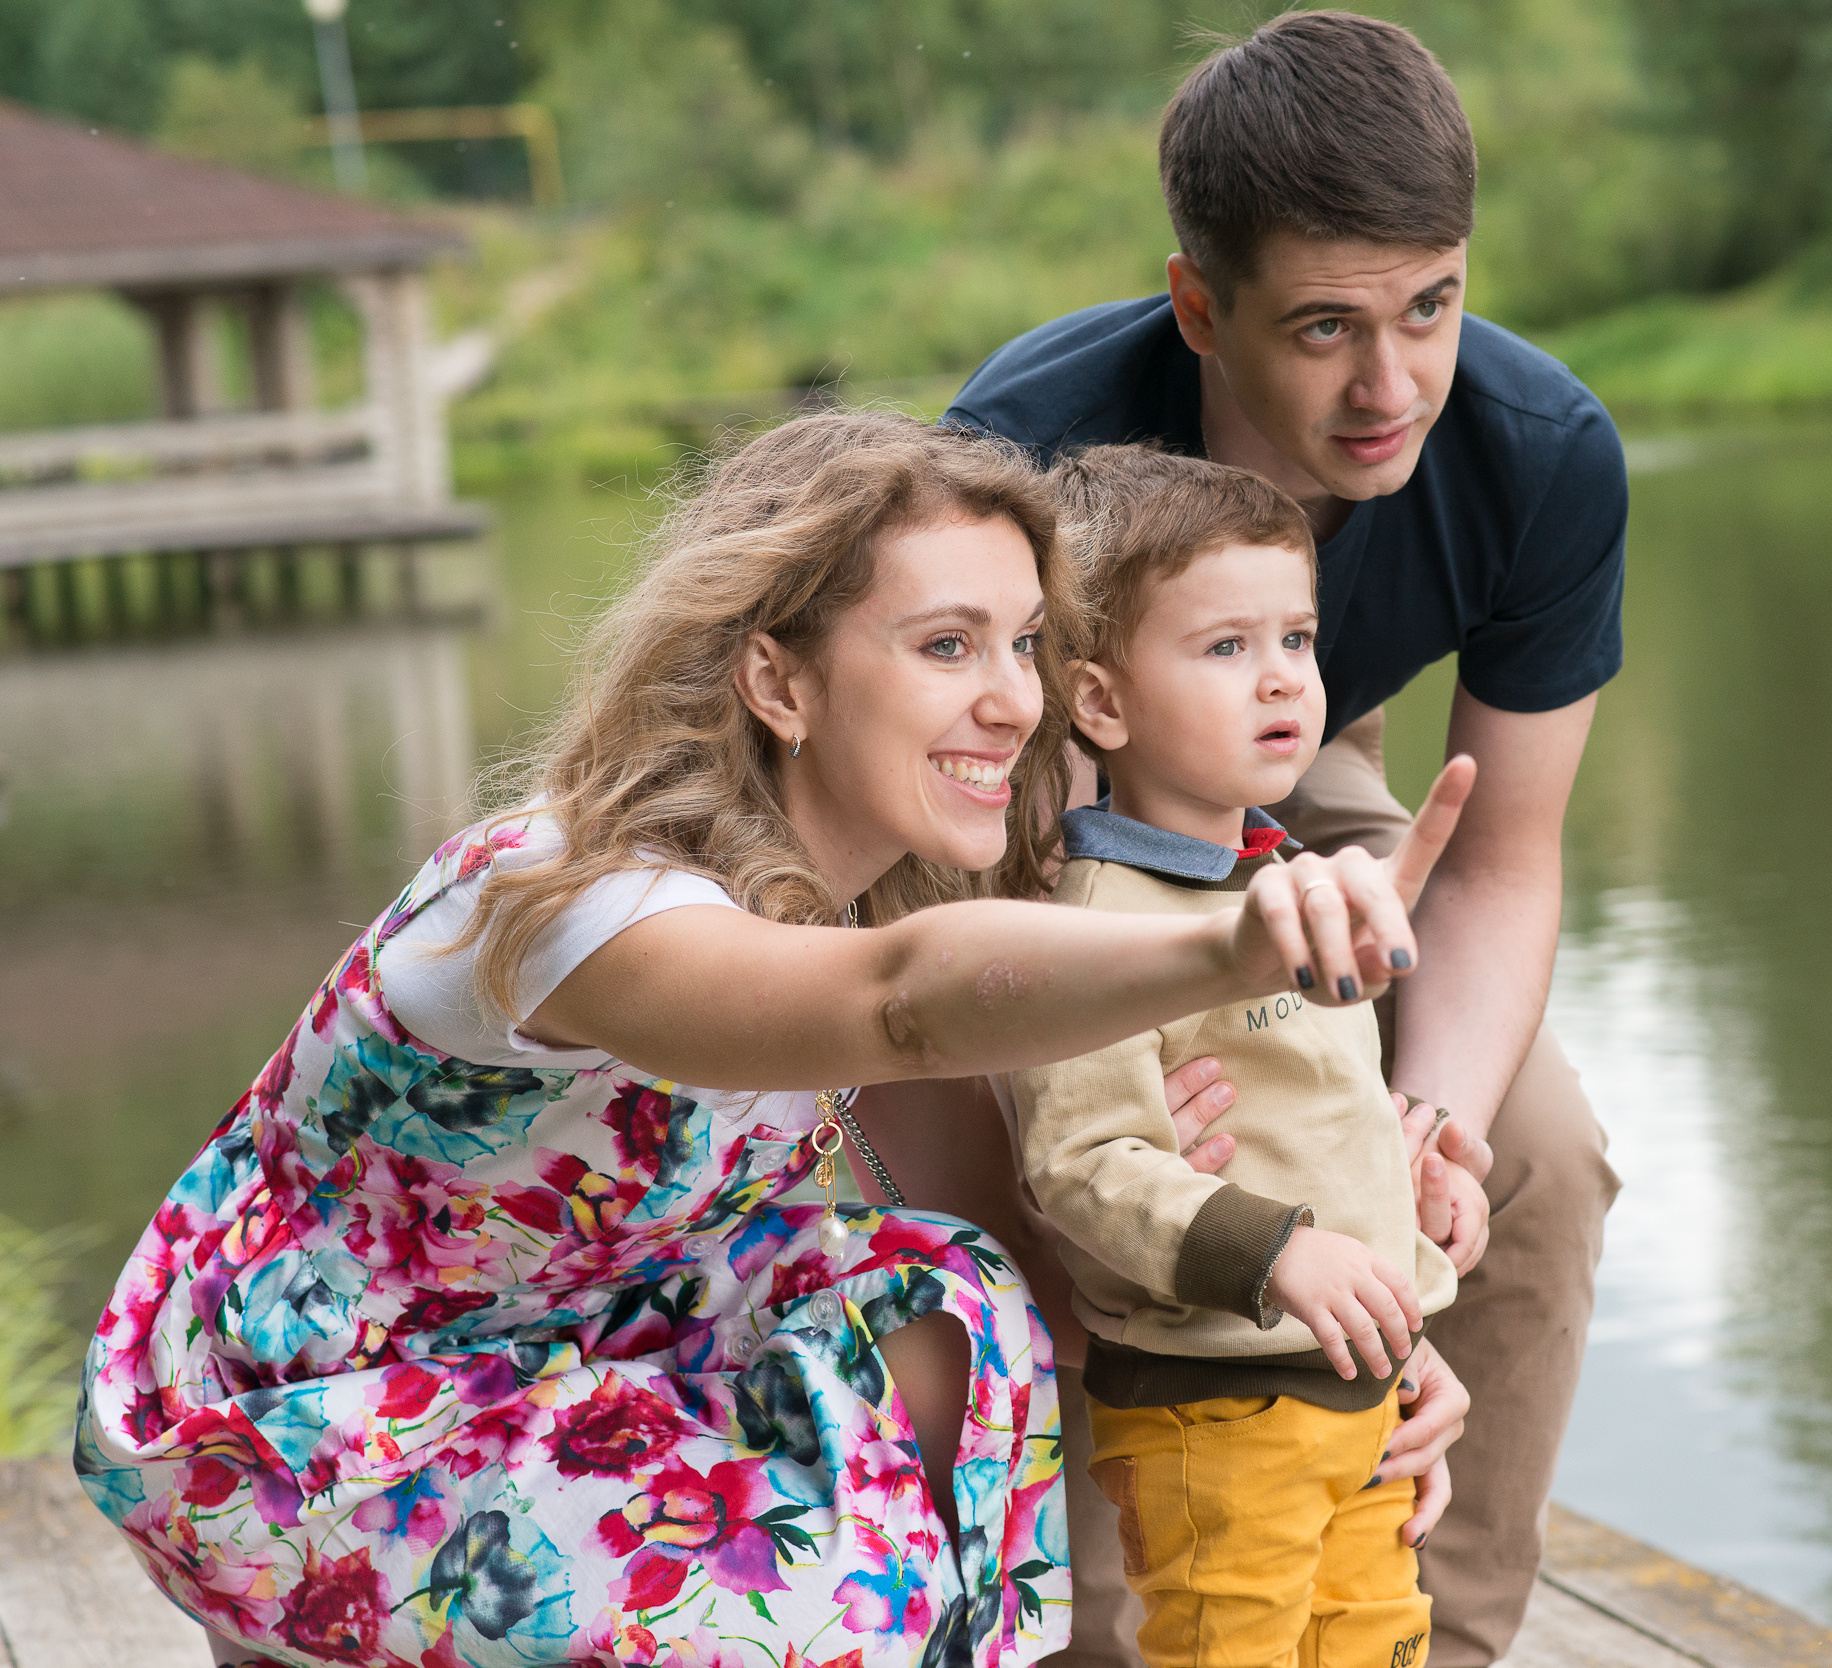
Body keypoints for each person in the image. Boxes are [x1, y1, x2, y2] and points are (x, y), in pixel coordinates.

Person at [74, 412, 1468, 1668]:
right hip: (305, 1418)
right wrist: (1234, 940)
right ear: (778, 683)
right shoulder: (588, 902)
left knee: (955, 1302)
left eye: (1025, 642)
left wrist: (1353, 1359)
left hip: (587, 1339)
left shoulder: (867, 890)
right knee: (829, 1575)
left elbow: (1046, 1250)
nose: (1014, 701)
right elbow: (901, 1000)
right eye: (944, 646)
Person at [942, 15, 1625, 1667]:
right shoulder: (1012, 464)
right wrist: (1097, 1042)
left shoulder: (1538, 457)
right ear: (1200, 306)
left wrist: (1422, 1152)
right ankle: (1117, 1620)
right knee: (1097, 1161)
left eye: (1430, 308)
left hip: (1303, 749)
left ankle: (1432, 1637)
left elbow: (1506, 852)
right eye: (1323, 327)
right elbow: (935, 869)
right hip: (1036, 797)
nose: (1391, 386)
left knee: (1535, 1150)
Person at [1007, 445, 1477, 1668]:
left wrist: (1408, 1218)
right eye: (1226, 649)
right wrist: (1276, 1250)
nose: (1281, 680)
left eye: (1297, 641)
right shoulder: (1102, 926)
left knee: (1377, 1641)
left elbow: (1309, 1118)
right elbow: (1086, 1162)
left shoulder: (1280, 879)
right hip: (1221, 1410)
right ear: (1100, 704)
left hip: (1353, 1390)